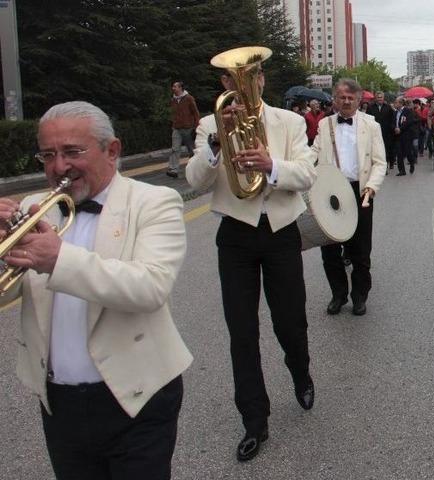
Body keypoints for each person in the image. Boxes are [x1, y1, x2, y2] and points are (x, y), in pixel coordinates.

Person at [0, 101, 192, 479]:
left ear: (112, 150)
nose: (59, 167)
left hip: (138, 396)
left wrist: (58, 259)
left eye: (73, 152)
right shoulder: (34, 207)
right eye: (48, 155)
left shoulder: (154, 202)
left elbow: (150, 286)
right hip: (60, 402)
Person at [186, 68, 317, 462]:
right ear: (225, 86)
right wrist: (216, 142)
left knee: (290, 322)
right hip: (236, 235)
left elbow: (307, 173)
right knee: (242, 332)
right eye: (231, 79)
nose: (242, 84)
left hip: (281, 231)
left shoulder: (290, 121)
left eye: (250, 75)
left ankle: (300, 370)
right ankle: (254, 420)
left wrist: (270, 165)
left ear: (260, 78)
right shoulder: (210, 124)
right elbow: (195, 181)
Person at [311, 78, 386, 316]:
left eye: (350, 98)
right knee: (329, 250)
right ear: (334, 99)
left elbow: (379, 162)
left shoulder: (371, 125)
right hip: (329, 192)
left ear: (358, 100)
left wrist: (371, 187)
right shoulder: (324, 125)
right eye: (341, 97)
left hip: (360, 191)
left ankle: (360, 296)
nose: (346, 101)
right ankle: (339, 294)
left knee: (360, 251)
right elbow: (312, 154)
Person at [168, 81, 200, 178]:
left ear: (180, 88)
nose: (173, 88)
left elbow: (195, 112)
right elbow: (173, 113)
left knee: (191, 150)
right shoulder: (173, 100)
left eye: (175, 86)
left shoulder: (189, 98)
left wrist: (196, 126)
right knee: (175, 149)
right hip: (176, 128)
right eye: (173, 86)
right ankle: (173, 170)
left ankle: (195, 168)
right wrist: (173, 122)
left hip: (188, 128)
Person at [366, 91, 396, 171]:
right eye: (378, 97)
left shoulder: (388, 107)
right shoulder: (370, 107)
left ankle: (386, 165)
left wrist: (392, 128)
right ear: (375, 98)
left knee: (386, 149)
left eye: (381, 97)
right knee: (376, 149)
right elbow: (367, 119)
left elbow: (393, 119)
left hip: (386, 132)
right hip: (374, 132)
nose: (379, 99)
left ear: (383, 98)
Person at [393, 96, 419, 176]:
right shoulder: (395, 112)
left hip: (406, 135)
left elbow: (409, 122)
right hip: (397, 135)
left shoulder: (408, 111)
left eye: (396, 103)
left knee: (408, 152)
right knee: (399, 153)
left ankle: (412, 163)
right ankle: (402, 170)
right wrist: (394, 128)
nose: (394, 104)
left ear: (400, 103)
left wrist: (400, 128)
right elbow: (392, 122)